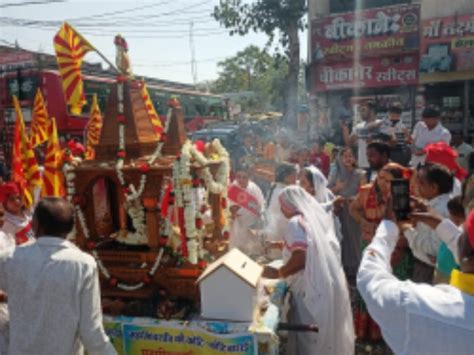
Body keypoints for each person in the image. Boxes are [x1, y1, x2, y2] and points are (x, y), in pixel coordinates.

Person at [0, 197, 117, 355]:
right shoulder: (83, 265)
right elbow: (91, 333)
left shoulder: (10, 259)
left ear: (35, 225)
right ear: (70, 228)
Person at [357, 206, 474, 354]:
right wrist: (441, 225)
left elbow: (370, 276)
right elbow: (465, 253)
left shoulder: (415, 305)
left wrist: (388, 227)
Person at [262, 186, 354, 355]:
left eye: (282, 205)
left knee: (311, 341)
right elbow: (311, 244)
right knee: (326, 336)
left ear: (288, 205)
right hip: (326, 283)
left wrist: (279, 273)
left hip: (311, 290)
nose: (281, 210)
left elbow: (300, 258)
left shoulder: (294, 223)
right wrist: (279, 245)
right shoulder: (310, 217)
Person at [349, 163, 414, 340]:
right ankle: (366, 332)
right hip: (371, 245)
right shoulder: (366, 191)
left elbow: (409, 223)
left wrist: (399, 239)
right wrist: (363, 222)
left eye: (388, 180)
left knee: (391, 287)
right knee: (370, 284)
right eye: (380, 177)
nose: (382, 182)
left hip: (397, 246)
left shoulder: (404, 196)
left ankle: (390, 334)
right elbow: (353, 209)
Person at [401, 164, 454, 283]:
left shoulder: (440, 210)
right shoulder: (434, 203)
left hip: (429, 270)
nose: (417, 186)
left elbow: (433, 249)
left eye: (421, 183)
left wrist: (407, 229)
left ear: (434, 187)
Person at [328, 147, 367, 280]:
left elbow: (364, 192)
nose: (348, 159)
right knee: (341, 239)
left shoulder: (360, 174)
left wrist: (354, 198)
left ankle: (358, 270)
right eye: (345, 156)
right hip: (339, 211)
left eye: (350, 156)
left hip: (354, 211)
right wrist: (337, 188)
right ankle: (344, 269)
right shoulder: (335, 175)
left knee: (355, 239)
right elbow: (328, 192)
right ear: (340, 158)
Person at [300, 165, 344, 242]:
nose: (300, 186)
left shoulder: (327, 195)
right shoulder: (300, 199)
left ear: (313, 185)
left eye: (303, 183)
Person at [228, 168, 265, 257]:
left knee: (252, 249)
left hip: (251, 222)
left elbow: (261, 204)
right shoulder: (232, 187)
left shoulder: (254, 188)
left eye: (244, 177)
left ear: (249, 178)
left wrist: (260, 218)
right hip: (237, 222)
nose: (241, 180)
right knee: (237, 247)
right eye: (239, 177)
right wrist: (231, 211)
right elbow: (227, 203)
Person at [264, 163, 298, 258]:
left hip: (273, 231)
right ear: (286, 178)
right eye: (294, 176)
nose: (296, 179)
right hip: (281, 232)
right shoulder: (285, 192)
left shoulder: (275, 188)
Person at [343, 100, 381, 170]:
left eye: (363, 110)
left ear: (371, 111)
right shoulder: (359, 126)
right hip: (363, 165)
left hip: (377, 165)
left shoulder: (380, 124)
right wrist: (345, 130)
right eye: (360, 111)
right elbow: (349, 143)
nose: (361, 113)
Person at [0, 182, 34, 249]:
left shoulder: (28, 212)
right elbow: (9, 250)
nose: (17, 201)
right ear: (5, 203)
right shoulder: (7, 223)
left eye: (19, 198)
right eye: (12, 199)